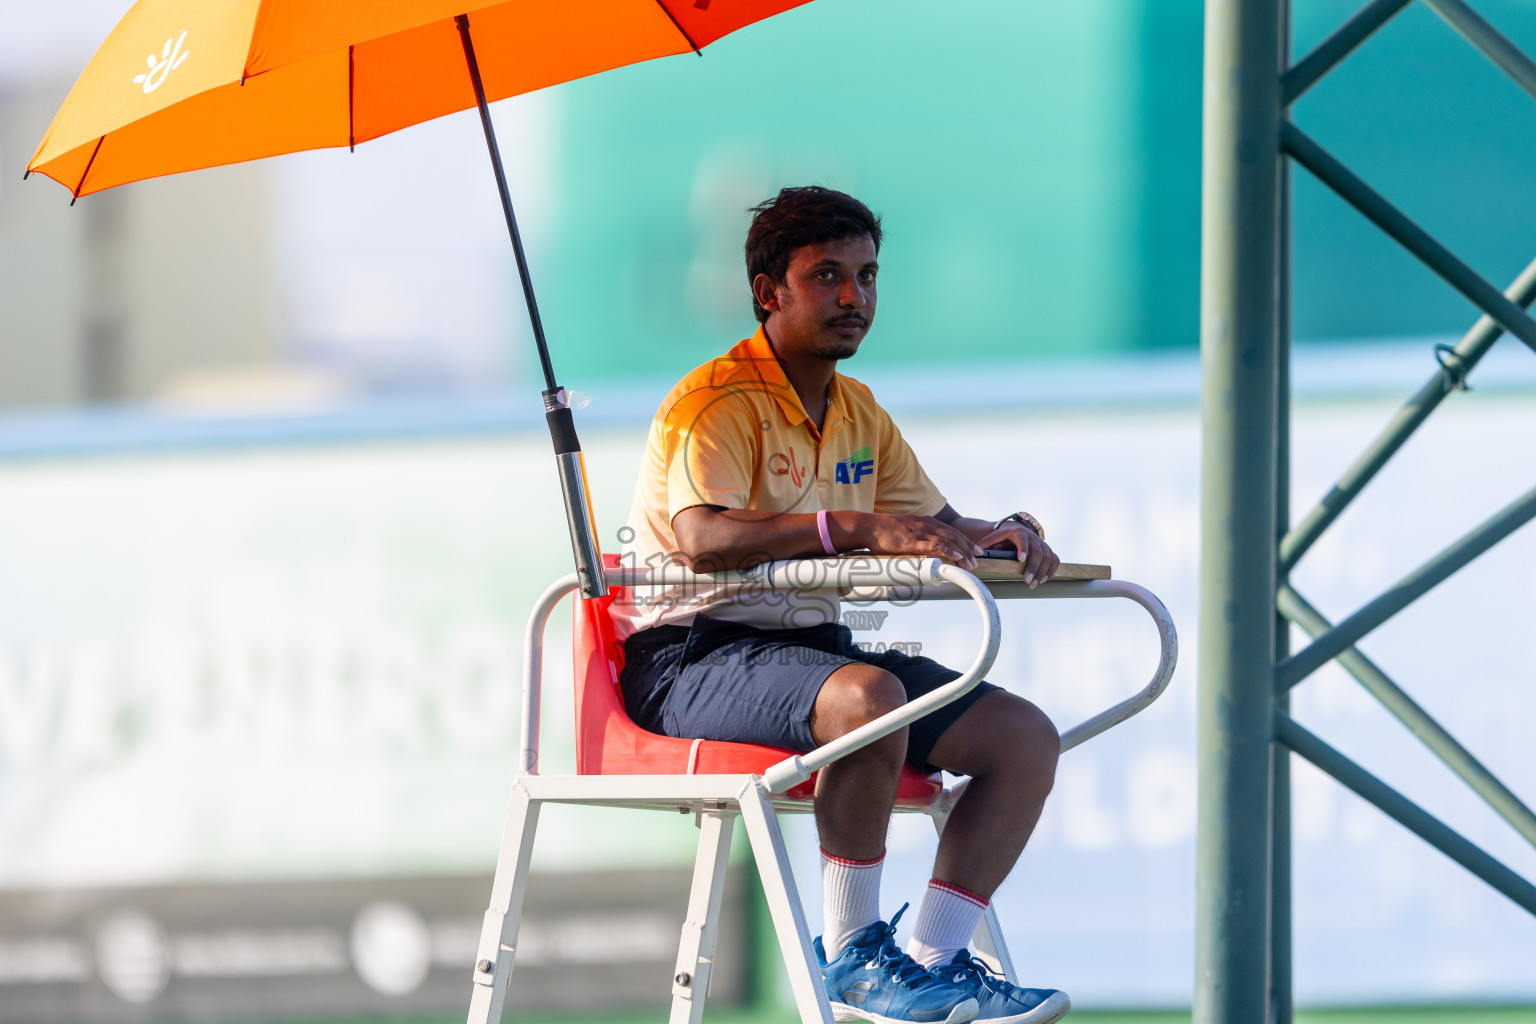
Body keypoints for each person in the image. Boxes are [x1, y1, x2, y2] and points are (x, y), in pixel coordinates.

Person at [615, 186, 1068, 1024]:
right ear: (767, 292)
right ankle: (856, 964)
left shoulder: (860, 409)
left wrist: (1004, 533)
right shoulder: (711, 401)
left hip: (814, 656)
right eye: (828, 276)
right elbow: (704, 539)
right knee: (869, 700)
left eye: (867, 276)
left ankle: (932, 963)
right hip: (688, 659)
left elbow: (932, 526)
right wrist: (854, 526)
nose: (855, 298)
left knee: (1022, 738)